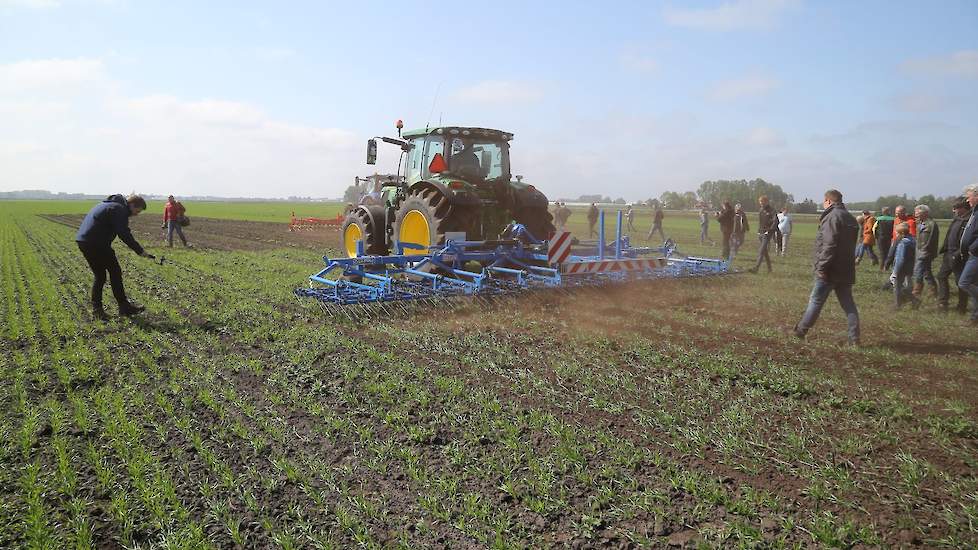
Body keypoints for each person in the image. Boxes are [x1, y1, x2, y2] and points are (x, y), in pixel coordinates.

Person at [793, 189, 860, 344]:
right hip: (846, 269)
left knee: (816, 301)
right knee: (849, 304)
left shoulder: (832, 217)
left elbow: (829, 245)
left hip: (830, 270)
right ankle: (854, 337)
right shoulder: (850, 218)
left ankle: (801, 330)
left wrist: (822, 267)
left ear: (829, 201)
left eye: (824, 201)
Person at [75, 194, 154, 320]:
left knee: (100, 275)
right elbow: (123, 233)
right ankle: (123, 307)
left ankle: (98, 310)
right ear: (132, 205)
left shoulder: (108, 205)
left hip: (84, 241)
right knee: (115, 272)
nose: (136, 214)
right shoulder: (119, 209)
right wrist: (140, 251)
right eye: (137, 211)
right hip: (96, 242)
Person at [936, 198, 972, 314]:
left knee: (960, 282)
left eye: (955, 208)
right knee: (941, 276)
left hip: (960, 256)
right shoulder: (956, 219)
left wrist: (957, 253)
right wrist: (944, 249)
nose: (953, 211)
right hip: (948, 254)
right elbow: (949, 235)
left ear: (963, 208)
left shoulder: (970, 220)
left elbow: (968, 240)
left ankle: (962, 307)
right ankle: (943, 303)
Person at [957, 183, 978, 325]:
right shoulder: (975, 211)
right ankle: (975, 317)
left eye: (969, 197)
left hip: (976, 254)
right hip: (972, 254)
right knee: (974, 283)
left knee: (964, 282)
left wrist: (973, 248)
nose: (967, 200)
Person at [911, 204, 940, 303]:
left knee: (918, 271)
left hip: (926, 253)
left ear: (925, 213)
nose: (916, 215)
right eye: (915, 213)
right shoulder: (920, 224)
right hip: (919, 252)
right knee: (927, 273)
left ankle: (916, 293)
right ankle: (933, 291)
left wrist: (924, 252)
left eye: (918, 213)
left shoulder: (931, 224)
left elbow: (931, 240)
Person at [748, 196, 777, 273]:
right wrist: (758, 231)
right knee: (764, 252)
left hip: (767, 234)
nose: (761, 203)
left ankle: (756, 269)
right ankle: (770, 269)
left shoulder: (772, 210)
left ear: (766, 201)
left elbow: (775, 222)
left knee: (761, 251)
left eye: (762, 202)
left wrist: (769, 231)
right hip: (760, 233)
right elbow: (760, 222)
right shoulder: (760, 210)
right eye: (760, 202)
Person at [892, 223, 917, 309]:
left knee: (897, 286)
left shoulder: (903, 243)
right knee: (903, 285)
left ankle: (897, 305)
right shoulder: (913, 240)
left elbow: (900, 259)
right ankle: (914, 300)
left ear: (902, 233)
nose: (896, 235)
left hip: (901, 268)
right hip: (910, 266)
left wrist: (896, 270)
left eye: (897, 233)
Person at [874, 206, 894, 271]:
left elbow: (874, 228)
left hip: (880, 237)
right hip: (889, 237)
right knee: (889, 252)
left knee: (882, 252)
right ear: (888, 211)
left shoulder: (878, 219)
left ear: (882, 212)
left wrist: (876, 236)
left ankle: (881, 267)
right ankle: (887, 266)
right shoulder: (893, 219)